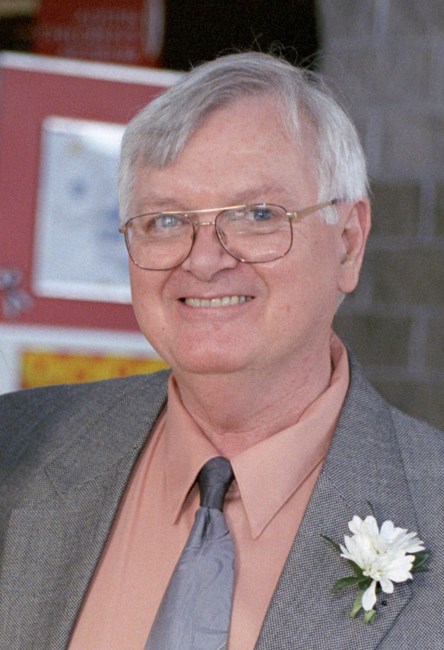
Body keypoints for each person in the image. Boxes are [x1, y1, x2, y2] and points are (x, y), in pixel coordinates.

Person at [1, 52, 443, 650]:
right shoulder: (15, 447)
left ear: (347, 243)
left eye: (258, 214)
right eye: (164, 220)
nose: (205, 260)